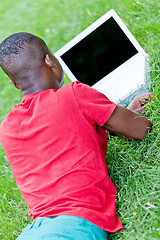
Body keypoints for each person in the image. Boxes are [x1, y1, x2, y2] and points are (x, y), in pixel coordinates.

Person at [0, 32, 152, 240]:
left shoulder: (7, 127)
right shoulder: (74, 94)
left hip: (35, 230)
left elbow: (64, 138)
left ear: (14, 84)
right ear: (49, 61)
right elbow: (141, 129)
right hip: (74, 225)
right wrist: (127, 118)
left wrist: (114, 115)